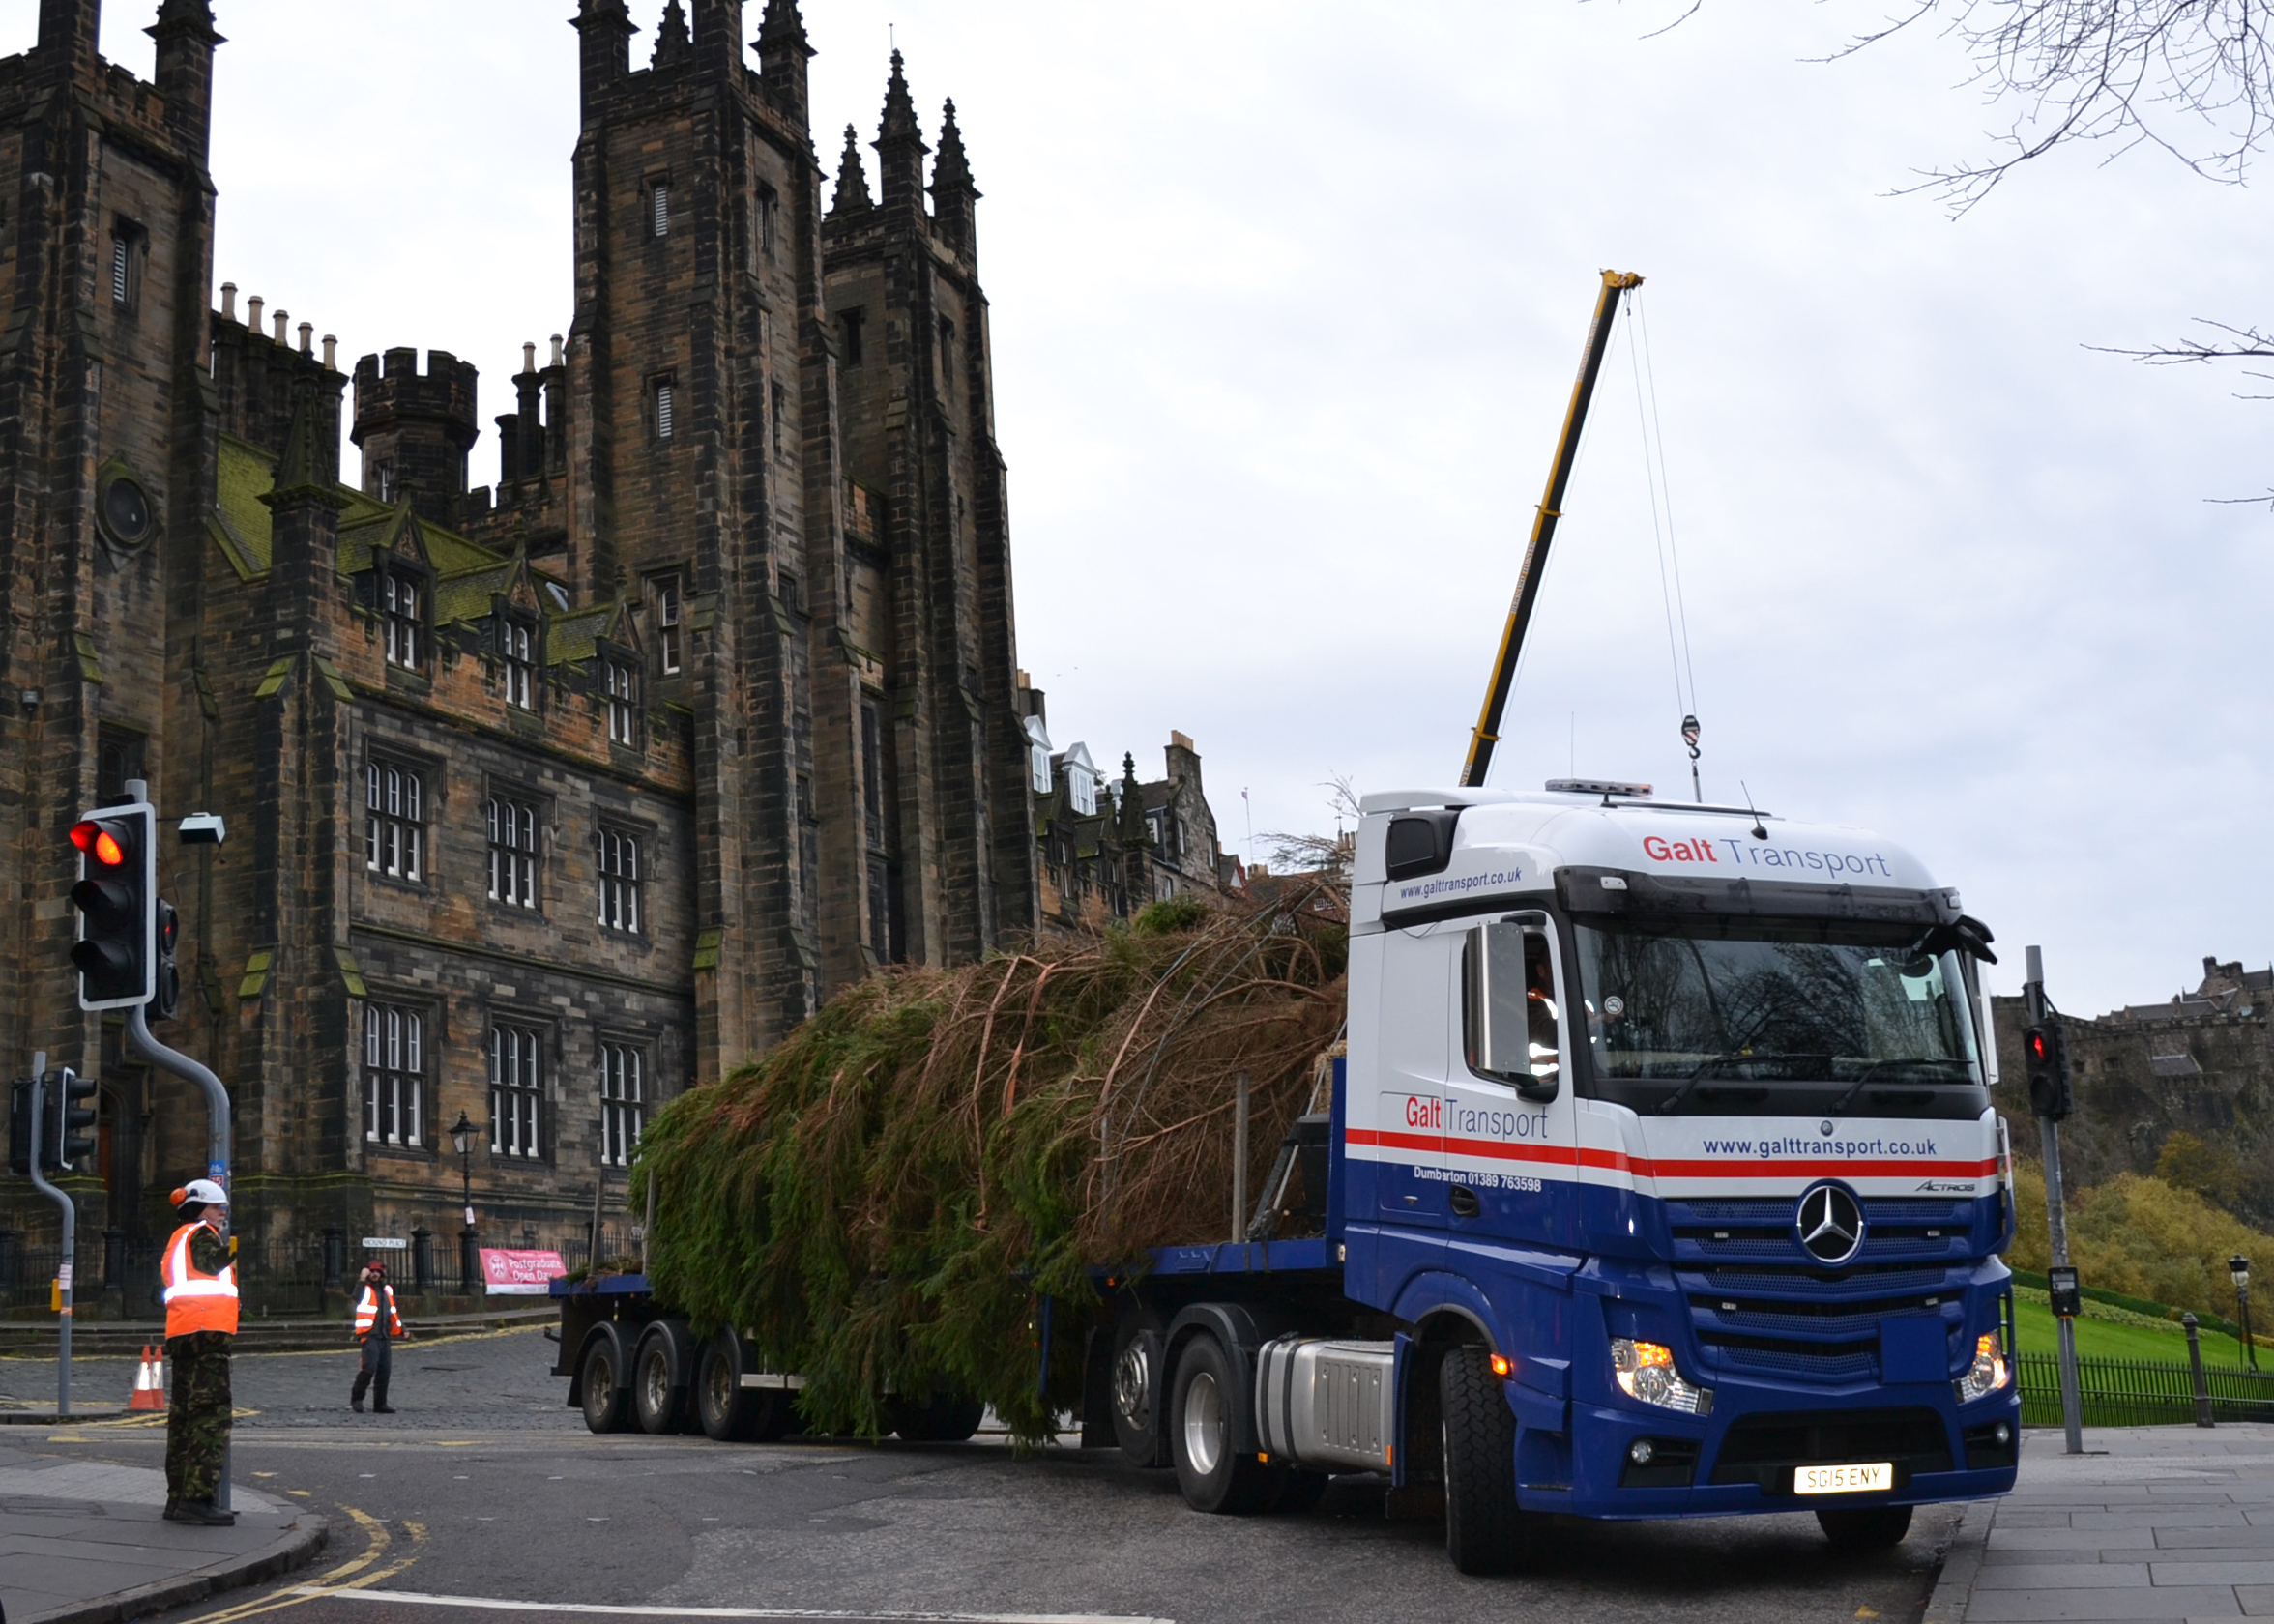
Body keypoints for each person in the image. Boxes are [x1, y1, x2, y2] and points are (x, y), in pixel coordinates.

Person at [160, 1178, 237, 1525]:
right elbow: (210, 1265)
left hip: (183, 1333)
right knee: (208, 1418)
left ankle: (177, 1499)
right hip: (207, 1335)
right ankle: (198, 1499)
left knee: (183, 1420)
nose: (223, 1212)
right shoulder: (203, 1234)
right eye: (215, 1206)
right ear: (197, 1209)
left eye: (223, 1207)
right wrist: (232, 1248)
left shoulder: (176, 1239)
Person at [350, 1261, 403, 1413]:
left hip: (384, 1336)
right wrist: (361, 1278)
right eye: (372, 1271)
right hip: (369, 1335)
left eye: (377, 1272)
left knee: (384, 1371)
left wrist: (402, 1329)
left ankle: (380, 1404)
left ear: (381, 1274)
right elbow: (355, 1297)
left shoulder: (387, 1291)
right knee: (369, 1368)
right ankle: (357, 1398)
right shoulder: (365, 1289)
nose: (374, 1274)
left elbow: (393, 1311)